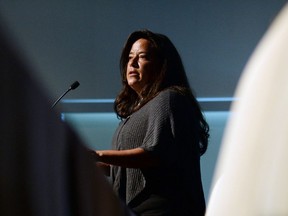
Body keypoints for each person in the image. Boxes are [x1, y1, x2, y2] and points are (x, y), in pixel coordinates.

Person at [92, 29, 210, 216]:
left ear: (162, 66)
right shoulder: (135, 113)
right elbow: (129, 168)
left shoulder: (169, 98)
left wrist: (98, 154)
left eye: (142, 56)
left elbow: (155, 154)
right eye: (130, 57)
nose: (132, 63)